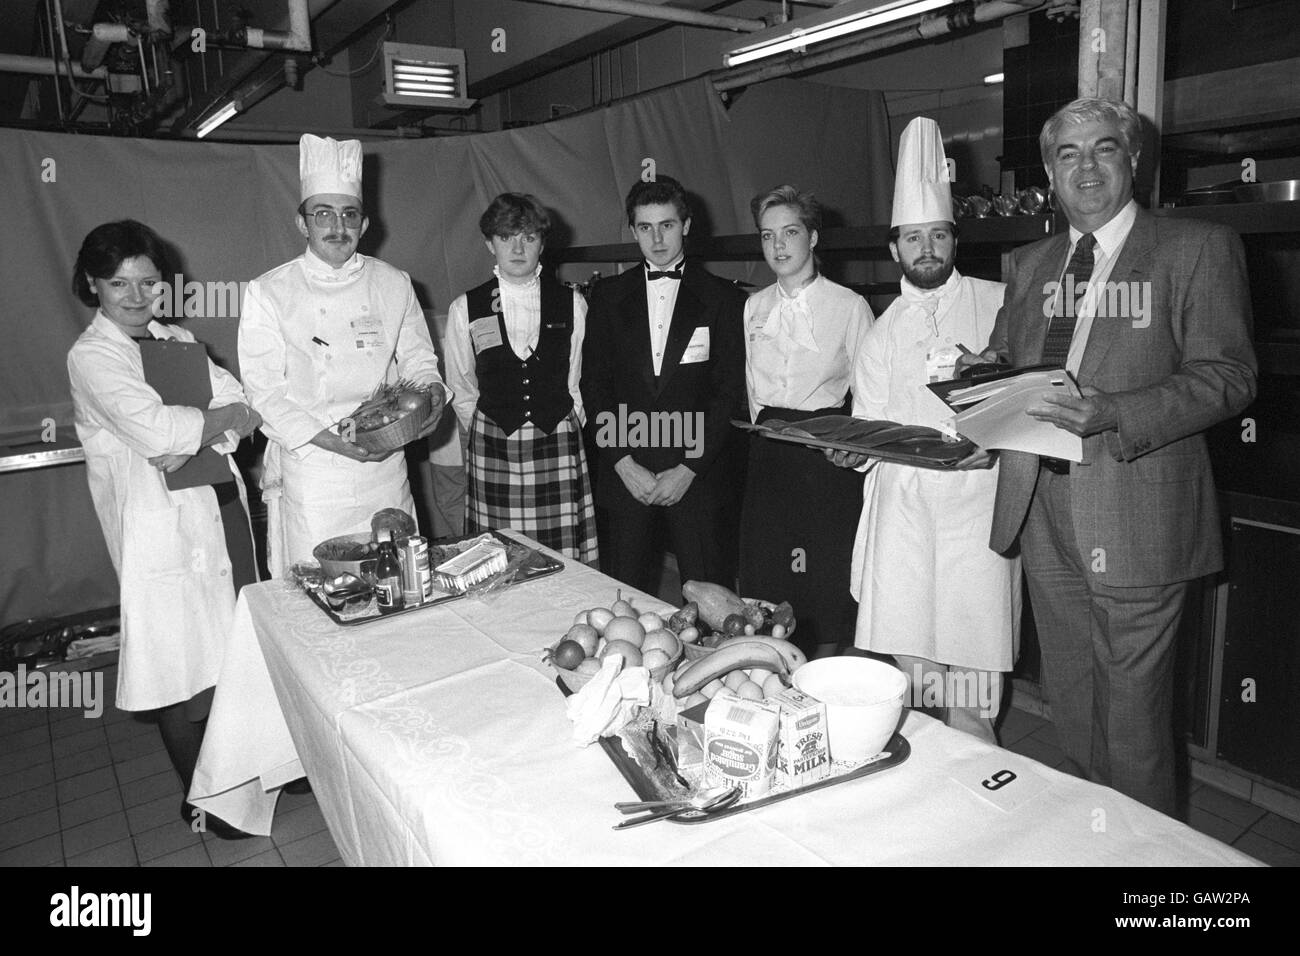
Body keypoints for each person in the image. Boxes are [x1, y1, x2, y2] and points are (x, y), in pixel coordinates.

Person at [963, 98, 1257, 811]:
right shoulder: (1029, 263)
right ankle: (1091, 839)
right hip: (1041, 509)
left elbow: (1229, 376)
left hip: (1137, 511)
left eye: (1103, 149)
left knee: (1132, 724)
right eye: (1068, 154)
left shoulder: (1196, 249)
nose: (1086, 167)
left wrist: (1115, 412)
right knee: (1072, 703)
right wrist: (980, 377)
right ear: (1049, 171)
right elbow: (1012, 359)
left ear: (1133, 160)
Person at [67, 220, 259, 839]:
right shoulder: (93, 356)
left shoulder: (175, 339)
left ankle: (249, 774)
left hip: (220, 514)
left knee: (232, 655)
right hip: (158, 533)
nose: (134, 294)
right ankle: (202, 798)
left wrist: (213, 423)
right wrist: (208, 422)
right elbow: (155, 431)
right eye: (118, 282)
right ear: (93, 284)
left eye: (147, 281)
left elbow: (244, 408)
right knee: (182, 670)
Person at [832, 118, 1021, 743]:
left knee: (971, 688)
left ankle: (984, 785)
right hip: (905, 519)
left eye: (938, 235)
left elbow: (1032, 398)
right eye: (913, 238)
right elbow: (868, 428)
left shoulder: (1001, 303)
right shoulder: (881, 333)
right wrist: (846, 451)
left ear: (954, 239)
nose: (927, 249)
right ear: (894, 250)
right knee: (916, 684)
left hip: (978, 514)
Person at [238, 135, 448, 577]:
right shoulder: (269, 291)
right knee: (323, 593)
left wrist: (433, 396)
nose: (338, 226)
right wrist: (331, 440)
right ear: (302, 223)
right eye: (323, 214)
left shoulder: (394, 283)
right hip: (316, 473)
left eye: (349, 214)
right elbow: (264, 394)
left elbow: (420, 360)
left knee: (398, 584)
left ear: (365, 223)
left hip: (386, 468)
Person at [581, 175, 746, 598]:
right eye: (645, 227)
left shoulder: (725, 299)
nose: (656, 239)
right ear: (633, 230)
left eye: (667, 225)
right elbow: (594, 386)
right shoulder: (606, 297)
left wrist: (689, 468)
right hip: (627, 472)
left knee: (713, 604)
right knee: (622, 603)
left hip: (697, 475)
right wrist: (622, 463)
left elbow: (729, 393)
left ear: (687, 225)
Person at [739, 185, 872, 659]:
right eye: (767, 235)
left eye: (790, 232)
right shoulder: (753, 307)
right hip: (770, 456)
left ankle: (821, 680)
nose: (778, 245)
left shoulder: (849, 306)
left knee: (821, 580)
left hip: (824, 460)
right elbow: (753, 393)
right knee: (768, 580)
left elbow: (870, 392)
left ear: (813, 237)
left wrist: (851, 448)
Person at [443, 193, 598, 561]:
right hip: (494, 440)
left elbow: (578, 377)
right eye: (506, 237)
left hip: (556, 436)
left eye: (528, 237)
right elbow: (461, 384)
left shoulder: (572, 303)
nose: (517, 247)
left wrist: (568, 421)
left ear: (542, 243)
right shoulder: (465, 307)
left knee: (561, 558)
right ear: (489, 244)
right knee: (498, 557)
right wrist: (489, 427)